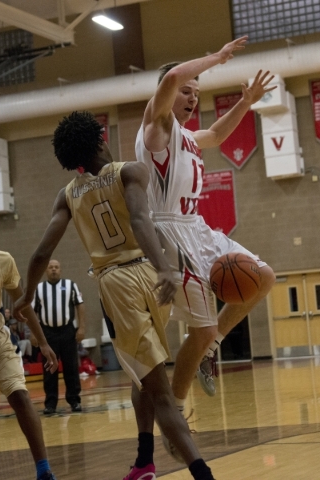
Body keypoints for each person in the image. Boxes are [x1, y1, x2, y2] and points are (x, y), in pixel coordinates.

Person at [13, 111, 218, 480]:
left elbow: (41, 253)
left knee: (159, 392)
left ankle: (201, 473)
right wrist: (164, 268)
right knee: (141, 376)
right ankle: (144, 461)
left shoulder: (67, 195)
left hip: (117, 284)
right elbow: (141, 221)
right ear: (100, 139)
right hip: (152, 278)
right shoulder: (131, 171)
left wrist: (27, 295)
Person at [135, 36, 277, 428]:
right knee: (199, 330)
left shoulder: (186, 136)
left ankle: (210, 349)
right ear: (167, 93)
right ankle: (176, 415)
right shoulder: (156, 127)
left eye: (196, 92)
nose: (192, 96)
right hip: (169, 233)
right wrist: (217, 57)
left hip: (197, 228)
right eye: (186, 91)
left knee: (264, 278)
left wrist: (246, 101)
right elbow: (173, 76)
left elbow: (214, 136)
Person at [0, 219, 58, 480]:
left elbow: (23, 303)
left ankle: (44, 470)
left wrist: (43, 342)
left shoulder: (1, 260)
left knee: (20, 397)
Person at [33, 259, 85, 414]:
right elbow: (33, 312)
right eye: (50, 267)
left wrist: (81, 328)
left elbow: (80, 305)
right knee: (49, 369)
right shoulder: (39, 288)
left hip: (67, 331)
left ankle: (74, 401)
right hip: (47, 333)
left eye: (56, 267)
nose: (53, 270)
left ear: (60, 270)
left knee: (71, 367)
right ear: (46, 271)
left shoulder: (71, 285)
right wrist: (35, 334)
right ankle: (50, 403)